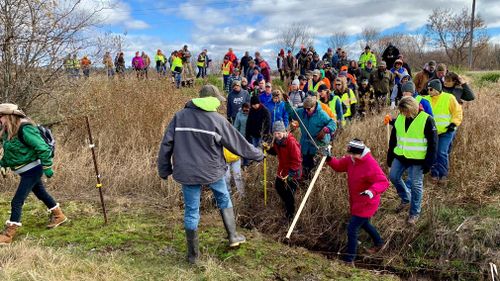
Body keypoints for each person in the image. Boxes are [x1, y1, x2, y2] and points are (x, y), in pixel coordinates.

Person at [157, 85, 264, 265]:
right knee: (223, 198)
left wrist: (164, 169)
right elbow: (238, 143)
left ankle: (193, 257)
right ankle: (233, 236)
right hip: (213, 170)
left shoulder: (179, 117)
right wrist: (258, 154)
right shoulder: (217, 120)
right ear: (212, 100)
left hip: (187, 172)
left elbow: (166, 144)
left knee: (192, 211)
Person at [0, 103, 68, 245]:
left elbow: (42, 147)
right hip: (25, 171)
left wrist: (48, 166)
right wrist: (4, 164)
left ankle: (9, 234)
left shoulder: (25, 129)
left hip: (33, 170)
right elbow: (11, 152)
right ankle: (59, 215)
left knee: (17, 201)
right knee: (40, 193)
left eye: (0, 116)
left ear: (9, 116)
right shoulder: (8, 132)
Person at [326, 139, 389, 264]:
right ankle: (379, 243)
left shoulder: (370, 164)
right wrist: (329, 159)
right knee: (365, 224)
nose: (351, 157)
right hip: (356, 200)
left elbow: (383, 182)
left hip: (367, 202)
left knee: (352, 228)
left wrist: (371, 191)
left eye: (353, 154)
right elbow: (339, 166)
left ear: (360, 153)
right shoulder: (351, 160)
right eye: (350, 154)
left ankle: (349, 259)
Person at [386, 97, 437, 225]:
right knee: (393, 176)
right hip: (401, 156)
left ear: (413, 108)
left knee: (416, 184)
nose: (404, 114)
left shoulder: (427, 120)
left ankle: (414, 213)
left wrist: (428, 163)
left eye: (406, 111)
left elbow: (433, 144)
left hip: (418, 159)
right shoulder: (400, 118)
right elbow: (393, 140)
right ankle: (405, 198)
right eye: (402, 112)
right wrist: (390, 158)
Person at [285, 96, 336, 179]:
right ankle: (305, 182)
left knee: (316, 169)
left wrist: (325, 130)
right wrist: (287, 103)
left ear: (314, 106)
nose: (306, 110)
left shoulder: (321, 114)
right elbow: (292, 112)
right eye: (305, 108)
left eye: (308, 109)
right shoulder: (302, 112)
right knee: (305, 166)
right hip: (305, 145)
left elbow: (333, 124)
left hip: (318, 144)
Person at [424, 80, 462, 184]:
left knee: (441, 152)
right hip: (432, 132)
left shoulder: (449, 98)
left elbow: (457, 112)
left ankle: (443, 175)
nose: (429, 91)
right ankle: (434, 174)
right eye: (427, 89)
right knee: (433, 152)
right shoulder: (425, 99)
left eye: (430, 89)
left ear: (437, 89)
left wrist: (454, 124)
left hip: (446, 131)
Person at [263, 121, 302, 219]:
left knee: (290, 193)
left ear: (284, 132)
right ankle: (287, 204)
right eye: (275, 133)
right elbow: (276, 152)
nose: (277, 135)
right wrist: (267, 149)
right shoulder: (277, 142)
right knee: (278, 186)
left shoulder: (291, 142)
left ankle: (290, 215)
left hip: (293, 171)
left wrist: (291, 172)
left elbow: (297, 159)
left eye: (279, 133)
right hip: (283, 170)